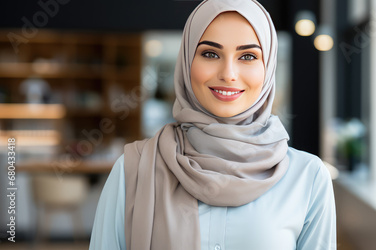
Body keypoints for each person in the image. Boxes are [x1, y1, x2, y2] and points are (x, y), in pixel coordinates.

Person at [89, 0, 336, 249]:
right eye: (210, 54)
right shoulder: (133, 170)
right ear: (187, 62)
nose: (228, 73)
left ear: (268, 66)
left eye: (248, 56)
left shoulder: (308, 178)